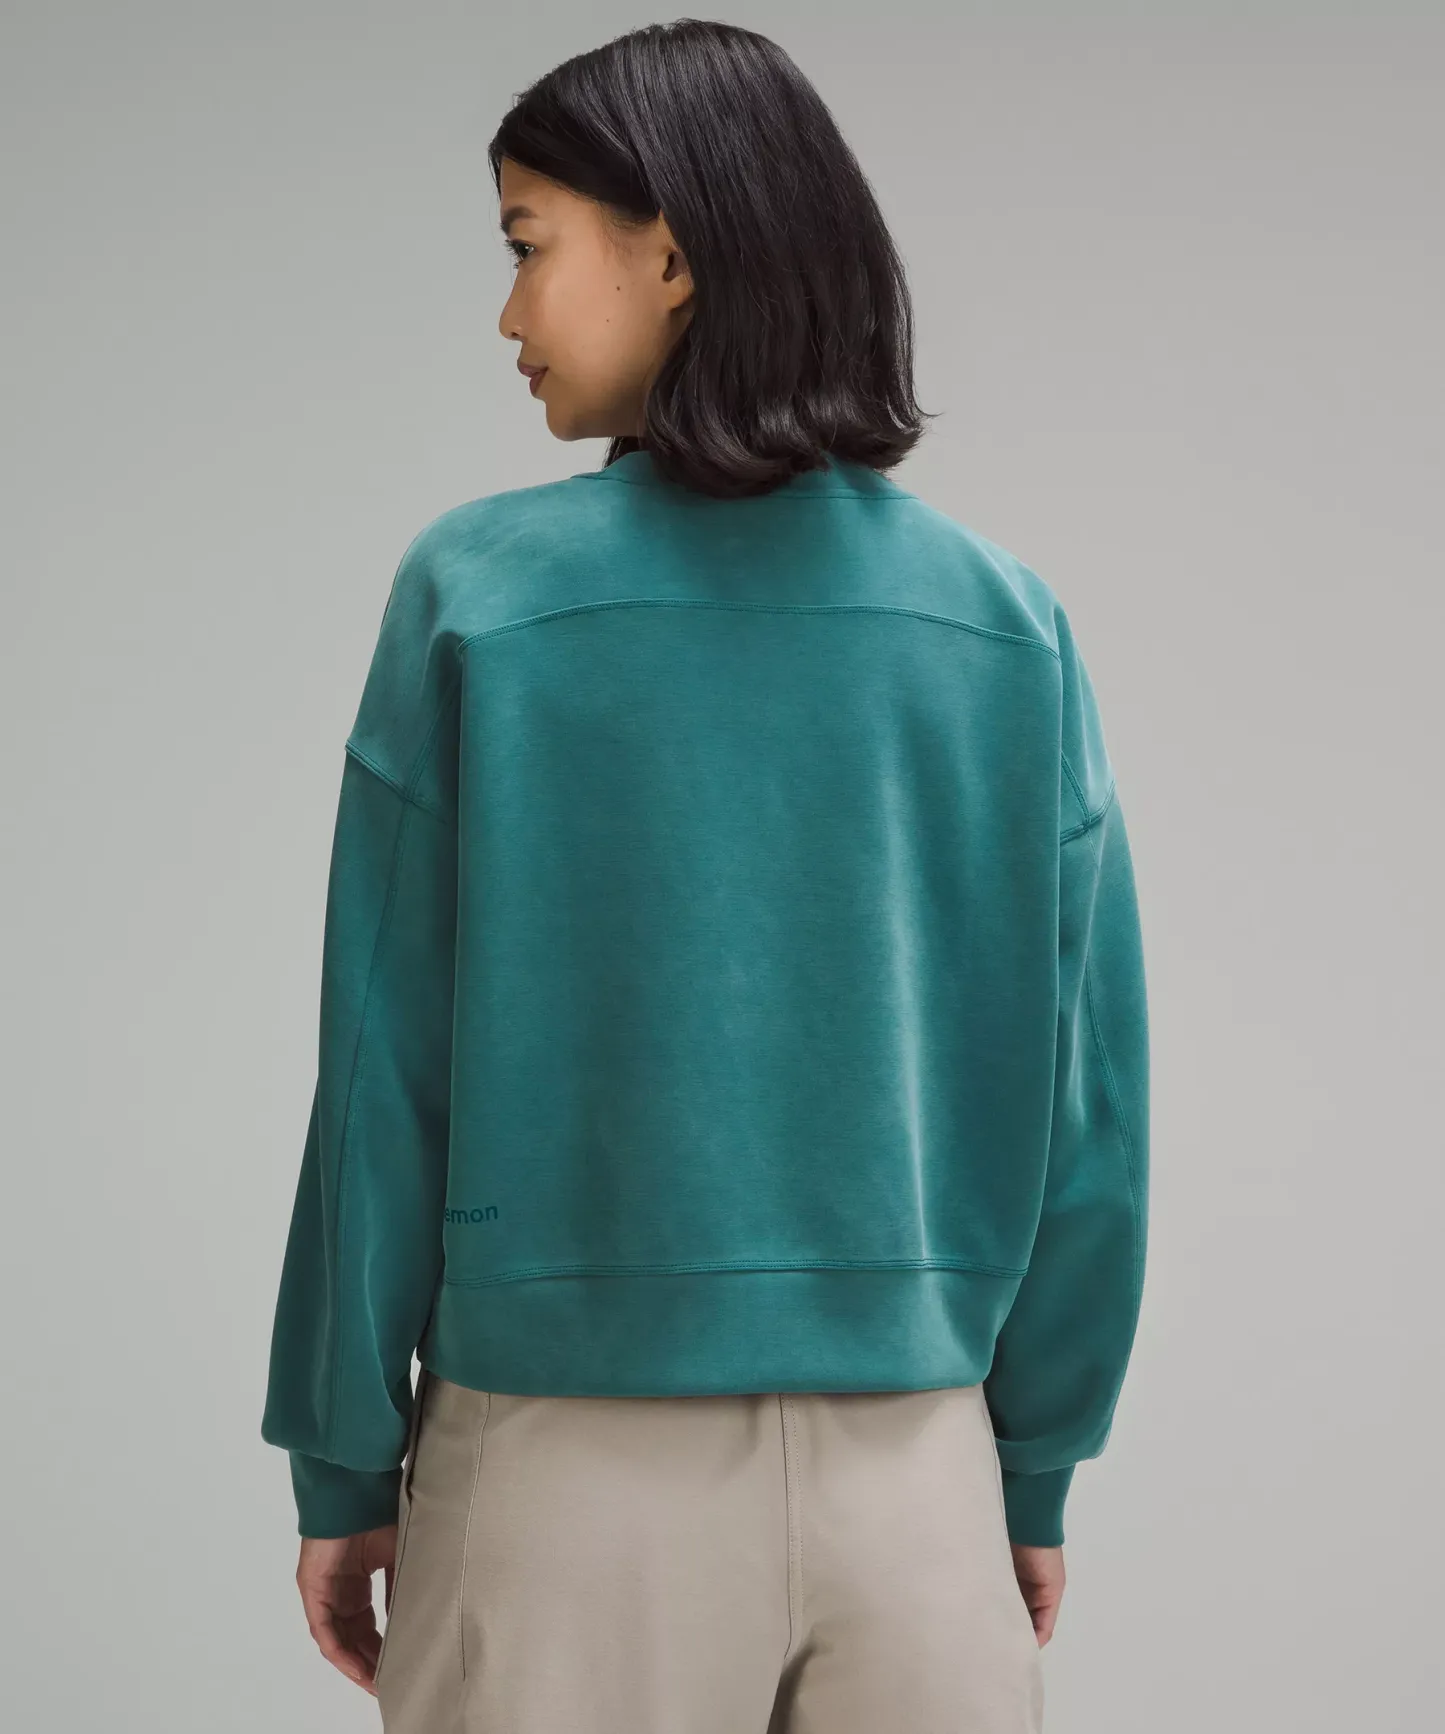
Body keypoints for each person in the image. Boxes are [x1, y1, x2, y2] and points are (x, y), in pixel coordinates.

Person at [260, 20, 1150, 1733]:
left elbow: (383, 1066)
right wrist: (1029, 1465)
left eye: (528, 245)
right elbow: (1089, 1106)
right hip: (920, 1482)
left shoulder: (481, 599)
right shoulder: (1004, 625)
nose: (508, 313)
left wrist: (343, 1452)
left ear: (668, 253)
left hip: (563, 1483)